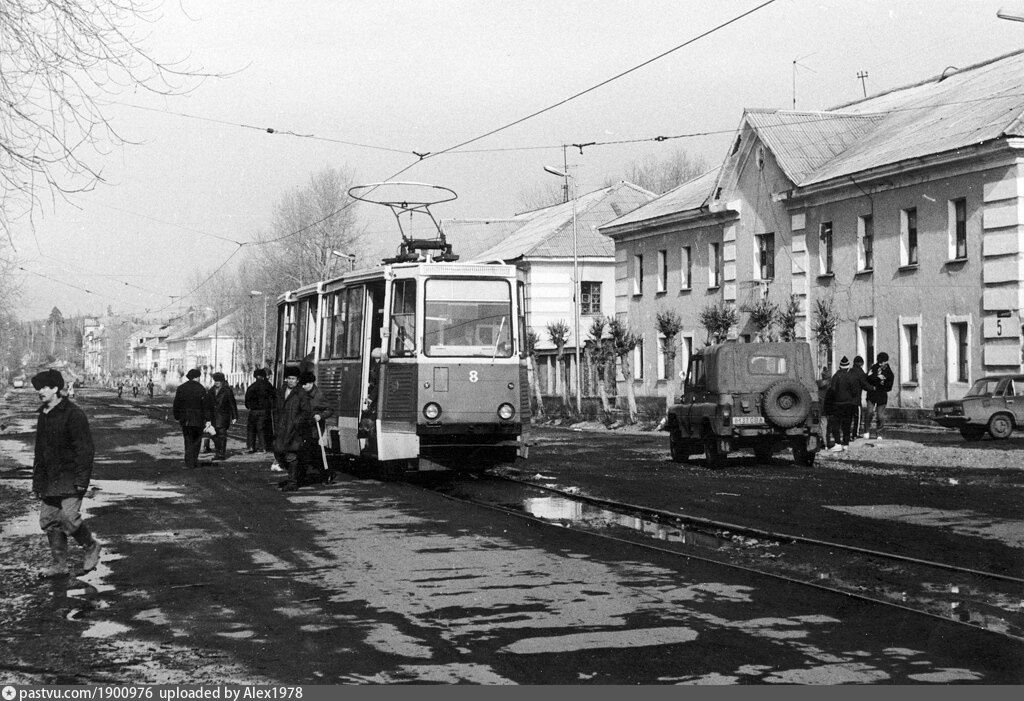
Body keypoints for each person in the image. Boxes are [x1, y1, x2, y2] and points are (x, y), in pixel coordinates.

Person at [30, 369, 101, 578]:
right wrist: (37, 482)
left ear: (55, 389)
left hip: (70, 478)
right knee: (49, 520)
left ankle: (90, 546)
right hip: (49, 479)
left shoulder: (73, 414)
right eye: (38, 388)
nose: (40, 392)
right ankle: (59, 565)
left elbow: (85, 449)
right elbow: (39, 452)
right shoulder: (43, 415)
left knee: (69, 518)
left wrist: (81, 480)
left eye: (44, 387)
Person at [273, 366, 312, 491]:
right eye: (289, 378)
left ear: (297, 380)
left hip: (294, 430)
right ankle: (293, 479)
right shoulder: (281, 391)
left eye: (293, 379)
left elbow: (306, 412)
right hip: (282, 428)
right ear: (286, 379)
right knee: (279, 452)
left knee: (291, 455)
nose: (291, 381)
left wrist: (296, 423)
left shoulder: (301, 393)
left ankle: (293, 483)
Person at [827, 356, 873, 452]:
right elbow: (855, 390)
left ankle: (838, 443)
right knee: (846, 424)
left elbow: (832, 390)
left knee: (836, 425)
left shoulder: (836, 376)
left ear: (840, 366)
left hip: (837, 404)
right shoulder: (851, 376)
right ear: (848, 367)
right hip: (849, 404)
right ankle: (846, 444)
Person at [172, 368, 212, 469]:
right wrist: (208, 419)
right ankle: (194, 461)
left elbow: (176, 404)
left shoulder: (181, 388)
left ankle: (188, 461)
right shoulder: (201, 389)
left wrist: (177, 416)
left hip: (185, 419)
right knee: (197, 441)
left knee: (188, 440)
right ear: (197, 377)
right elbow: (206, 406)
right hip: (198, 419)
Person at [300, 371, 334, 484]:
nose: (303, 386)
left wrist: (320, 415)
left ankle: (326, 472)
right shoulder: (302, 393)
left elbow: (329, 409)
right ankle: (322, 472)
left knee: (312, 449)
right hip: (304, 426)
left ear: (310, 383)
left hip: (315, 427)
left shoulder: (319, 395)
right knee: (309, 450)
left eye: (305, 384)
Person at [206, 372, 238, 461]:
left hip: (223, 417)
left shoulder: (227, 390)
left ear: (222, 381)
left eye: (218, 381)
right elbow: (207, 405)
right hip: (213, 417)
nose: (216, 383)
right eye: (215, 381)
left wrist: (234, 416)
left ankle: (221, 454)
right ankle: (217, 452)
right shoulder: (211, 391)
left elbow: (232, 404)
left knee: (222, 435)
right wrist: (207, 418)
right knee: (214, 435)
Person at [244, 368, 276, 453]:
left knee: (251, 429)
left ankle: (251, 447)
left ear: (255, 376)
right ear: (264, 376)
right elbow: (274, 397)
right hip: (265, 411)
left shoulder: (252, 386)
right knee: (262, 429)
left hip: (253, 411)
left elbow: (247, 399)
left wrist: (249, 406)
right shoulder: (268, 385)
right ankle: (264, 447)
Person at [865, 352, 895, 439]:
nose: (882, 363)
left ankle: (879, 433)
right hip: (872, 394)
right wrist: (877, 377)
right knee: (869, 412)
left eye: (884, 362)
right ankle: (867, 431)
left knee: (880, 416)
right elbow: (867, 378)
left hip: (881, 395)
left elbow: (889, 386)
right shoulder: (873, 368)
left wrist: (884, 381)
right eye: (881, 362)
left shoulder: (889, 372)